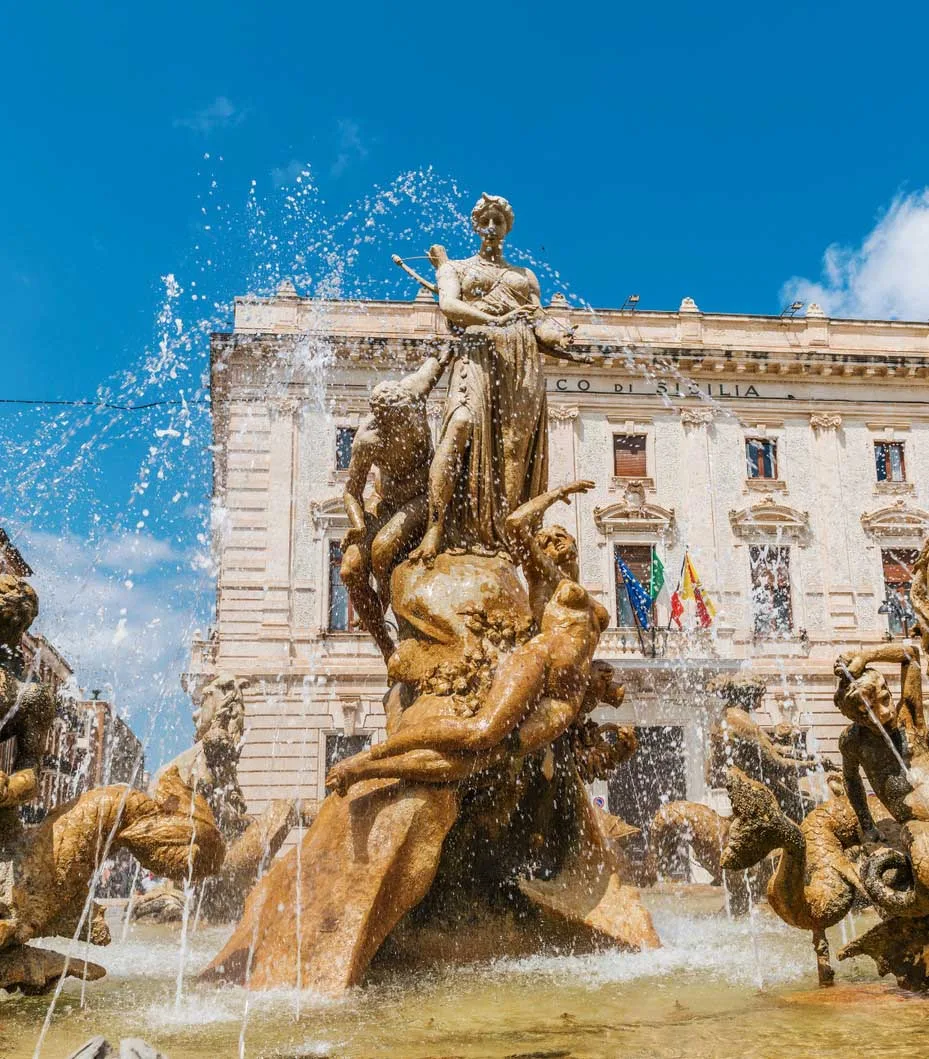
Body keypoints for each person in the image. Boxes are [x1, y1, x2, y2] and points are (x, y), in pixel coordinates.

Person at [326, 481, 612, 792]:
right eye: (548, 540)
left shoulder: (575, 589)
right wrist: (556, 494)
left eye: (561, 537)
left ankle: (370, 769)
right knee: (481, 732)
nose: (556, 543)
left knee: (485, 757)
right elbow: (515, 523)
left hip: (564, 702)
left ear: (574, 541)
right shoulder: (551, 581)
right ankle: (368, 758)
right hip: (539, 664)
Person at [410, 193, 590, 563]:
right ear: (476, 226)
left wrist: (561, 338)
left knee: (514, 451)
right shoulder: (455, 267)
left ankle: (503, 541)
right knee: (459, 426)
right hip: (476, 356)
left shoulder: (524, 277)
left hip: (520, 364)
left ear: (507, 228)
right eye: (486, 221)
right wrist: (496, 322)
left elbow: (539, 321)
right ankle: (436, 526)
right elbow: (449, 306)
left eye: (499, 221)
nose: (492, 227)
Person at [340, 348, 453, 660]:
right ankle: (386, 646)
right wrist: (359, 524)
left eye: (411, 416)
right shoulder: (368, 441)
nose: (410, 423)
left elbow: (444, 356)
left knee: (384, 547)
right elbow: (351, 491)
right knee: (350, 570)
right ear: (384, 421)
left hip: (425, 496)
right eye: (401, 422)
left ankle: (393, 615)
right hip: (385, 500)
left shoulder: (415, 391)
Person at [834, 644, 927, 837]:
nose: (884, 713)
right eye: (870, 710)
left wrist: (866, 656)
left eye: (885, 699)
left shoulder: (908, 716)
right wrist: (867, 825)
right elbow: (851, 780)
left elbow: (911, 656)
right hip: (916, 830)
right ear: (857, 717)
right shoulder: (853, 741)